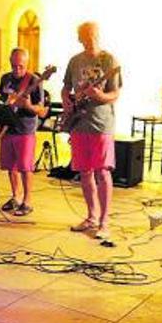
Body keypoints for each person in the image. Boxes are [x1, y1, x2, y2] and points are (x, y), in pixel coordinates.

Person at [61, 21, 121, 241]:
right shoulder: (75, 61)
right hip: (79, 122)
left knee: (102, 172)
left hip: (101, 123)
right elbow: (66, 87)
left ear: (99, 35)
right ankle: (91, 216)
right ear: (79, 38)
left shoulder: (109, 61)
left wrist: (100, 96)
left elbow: (115, 93)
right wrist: (66, 100)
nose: (90, 40)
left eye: (93, 35)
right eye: (85, 36)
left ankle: (104, 222)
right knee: (84, 172)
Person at [0, 49, 47, 216]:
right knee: (11, 167)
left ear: (27, 64)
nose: (17, 69)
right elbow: (1, 99)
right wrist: (6, 103)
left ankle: (27, 200)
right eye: (14, 66)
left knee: (25, 167)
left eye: (21, 66)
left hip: (25, 129)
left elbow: (41, 110)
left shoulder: (34, 80)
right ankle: (15, 197)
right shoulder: (5, 78)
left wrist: (28, 106)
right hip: (7, 126)